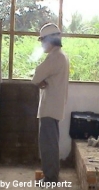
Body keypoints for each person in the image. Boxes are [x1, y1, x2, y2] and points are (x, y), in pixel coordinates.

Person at [31, 23, 69, 183]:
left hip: (50, 108)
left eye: (43, 40)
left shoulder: (55, 57)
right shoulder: (61, 55)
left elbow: (36, 76)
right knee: (51, 143)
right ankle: (51, 175)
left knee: (48, 145)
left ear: (50, 40)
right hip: (54, 107)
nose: (42, 44)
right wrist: (41, 81)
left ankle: (50, 178)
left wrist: (40, 81)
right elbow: (40, 79)